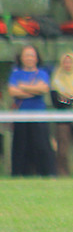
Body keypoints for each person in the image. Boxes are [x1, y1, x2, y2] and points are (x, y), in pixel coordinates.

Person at [6, 44, 56, 176]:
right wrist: (33, 90)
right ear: (21, 58)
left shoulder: (42, 73)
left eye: (32, 55)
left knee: (41, 145)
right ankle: (20, 174)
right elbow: (12, 91)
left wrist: (23, 87)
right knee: (21, 146)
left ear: (36, 58)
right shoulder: (16, 73)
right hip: (21, 115)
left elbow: (43, 89)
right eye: (27, 55)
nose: (29, 58)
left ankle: (47, 173)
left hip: (39, 114)